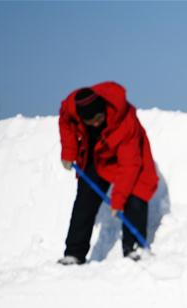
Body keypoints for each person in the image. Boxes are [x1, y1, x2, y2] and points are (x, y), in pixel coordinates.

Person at [57, 82, 158, 264]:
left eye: (99, 118)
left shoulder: (125, 120)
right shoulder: (71, 108)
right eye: (91, 122)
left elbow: (130, 164)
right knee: (85, 200)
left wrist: (118, 200)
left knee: (136, 194)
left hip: (132, 157)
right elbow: (66, 123)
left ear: (103, 109)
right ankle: (74, 253)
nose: (96, 123)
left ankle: (133, 249)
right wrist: (69, 152)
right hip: (99, 154)